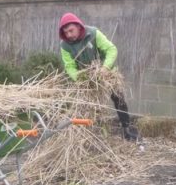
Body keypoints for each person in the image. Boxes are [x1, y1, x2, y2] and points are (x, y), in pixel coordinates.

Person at [58, 12, 139, 141]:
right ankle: (89, 136)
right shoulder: (65, 45)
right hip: (86, 78)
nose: (69, 35)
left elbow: (111, 49)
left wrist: (105, 69)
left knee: (119, 99)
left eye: (71, 31)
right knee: (87, 106)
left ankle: (126, 129)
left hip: (106, 73)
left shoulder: (94, 34)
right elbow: (69, 66)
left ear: (78, 26)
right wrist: (80, 78)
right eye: (66, 32)